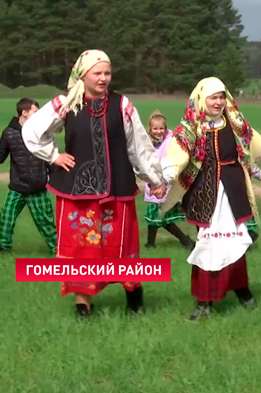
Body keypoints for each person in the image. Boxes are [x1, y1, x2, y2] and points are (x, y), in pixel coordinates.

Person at [22, 50, 165, 317]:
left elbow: (139, 145)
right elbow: (31, 131)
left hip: (116, 189)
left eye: (107, 73)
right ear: (83, 75)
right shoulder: (66, 104)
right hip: (76, 190)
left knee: (121, 245)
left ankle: (134, 295)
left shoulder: (122, 105)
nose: (103, 78)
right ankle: (82, 302)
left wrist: (155, 178)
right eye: (97, 73)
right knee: (80, 248)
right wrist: (54, 155)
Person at [160, 77, 261, 321]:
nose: (218, 102)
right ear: (201, 99)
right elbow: (176, 156)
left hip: (233, 191)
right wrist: (166, 177)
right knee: (209, 243)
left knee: (235, 243)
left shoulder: (235, 122)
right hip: (205, 193)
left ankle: (242, 292)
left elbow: (255, 144)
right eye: (213, 97)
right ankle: (204, 300)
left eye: (221, 97)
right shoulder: (191, 127)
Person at [0, 98, 56, 254]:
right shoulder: (9, 133)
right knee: (6, 219)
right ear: (24, 113)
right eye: (35, 112)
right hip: (16, 187)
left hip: (37, 187)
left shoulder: (41, 133)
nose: (38, 115)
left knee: (46, 223)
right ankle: (3, 247)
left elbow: (50, 158)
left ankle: (58, 250)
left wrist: (56, 179)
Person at [143, 110, 195, 250]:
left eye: (161, 128)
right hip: (152, 182)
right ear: (150, 129)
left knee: (160, 217)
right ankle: (151, 243)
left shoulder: (171, 141)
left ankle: (185, 241)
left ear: (166, 128)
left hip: (165, 184)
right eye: (155, 128)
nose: (159, 131)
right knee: (155, 217)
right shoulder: (148, 142)